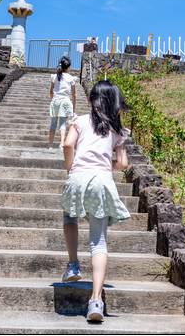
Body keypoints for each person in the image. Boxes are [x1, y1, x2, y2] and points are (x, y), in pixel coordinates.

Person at [60, 80, 131, 323]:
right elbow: (122, 164)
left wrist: (71, 166)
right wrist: (105, 164)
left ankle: (73, 265)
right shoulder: (117, 130)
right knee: (98, 242)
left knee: (70, 217)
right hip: (102, 181)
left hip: (78, 176)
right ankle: (96, 300)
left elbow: (68, 144)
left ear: (91, 100)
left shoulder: (79, 121)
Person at [48, 56, 77, 146]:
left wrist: (53, 98)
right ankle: (61, 144)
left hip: (55, 101)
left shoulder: (54, 77)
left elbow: (51, 91)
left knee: (53, 124)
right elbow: (74, 95)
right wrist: (74, 107)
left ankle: (50, 145)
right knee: (62, 124)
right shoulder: (71, 78)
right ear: (68, 67)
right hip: (65, 101)